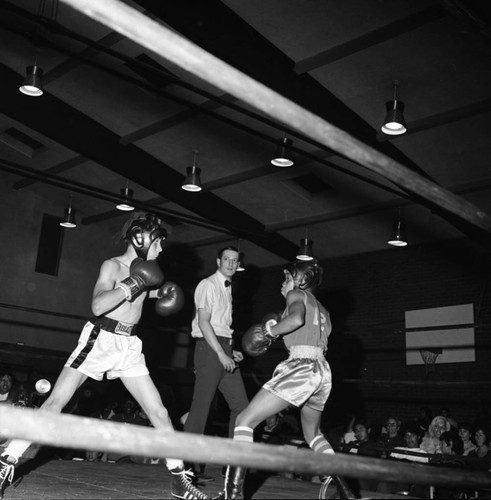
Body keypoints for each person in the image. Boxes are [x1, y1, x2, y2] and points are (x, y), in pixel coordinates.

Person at [0, 212, 208, 500]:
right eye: (158, 243)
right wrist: (134, 284)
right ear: (141, 239)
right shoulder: (112, 266)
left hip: (129, 345)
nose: (161, 250)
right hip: (100, 339)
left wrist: (156, 293)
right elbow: (98, 305)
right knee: (56, 403)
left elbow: (138, 296)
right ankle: (7, 461)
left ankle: (178, 479)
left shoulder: (144, 269)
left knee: (159, 412)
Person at [216, 259, 357, 500]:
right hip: (322, 370)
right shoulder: (324, 310)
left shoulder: (295, 294)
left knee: (244, 420)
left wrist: (270, 332)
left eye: (286, 278)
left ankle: (233, 495)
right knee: (313, 434)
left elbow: (296, 320)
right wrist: (276, 328)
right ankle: (347, 493)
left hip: (301, 366)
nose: (283, 284)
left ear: (300, 281)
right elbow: (307, 330)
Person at [183, 246, 249, 479]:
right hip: (210, 350)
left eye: (235, 260)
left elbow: (222, 326)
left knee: (241, 406)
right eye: (227, 259)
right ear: (218, 261)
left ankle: (231, 464)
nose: (231, 264)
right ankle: (185, 467)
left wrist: (231, 351)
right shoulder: (208, 284)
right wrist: (222, 353)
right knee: (201, 406)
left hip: (224, 347)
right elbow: (204, 322)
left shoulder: (228, 288)